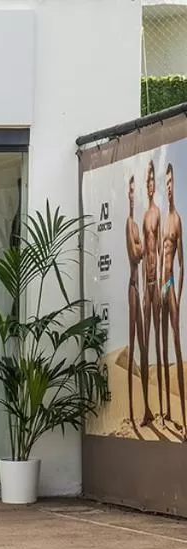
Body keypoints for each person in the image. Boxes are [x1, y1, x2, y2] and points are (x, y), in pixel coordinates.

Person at [163, 163, 185, 429]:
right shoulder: (163, 220)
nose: (168, 187)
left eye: (171, 182)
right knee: (164, 348)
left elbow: (181, 263)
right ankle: (167, 410)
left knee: (177, 347)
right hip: (160, 284)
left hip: (170, 282)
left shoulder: (176, 219)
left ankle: (182, 414)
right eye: (165, 182)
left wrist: (178, 293)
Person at [127, 173, 148, 433]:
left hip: (140, 286)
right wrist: (140, 247)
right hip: (132, 288)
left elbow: (141, 251)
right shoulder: (129, 223)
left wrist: (141, 248)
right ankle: (132, 410)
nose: (133, 195)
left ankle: (145, 408)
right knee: (133, 347)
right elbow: (137, 254)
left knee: (142, 348)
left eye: (136, 191)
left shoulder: (137, 227)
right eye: (131, 191)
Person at [143, 159, 163, 428]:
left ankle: (161, 408)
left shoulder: (158, 213)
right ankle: (147, 408)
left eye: (151, 181)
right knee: (146, 345)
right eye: (146, 181)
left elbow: (157, 250)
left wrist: (164, 286)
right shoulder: (143, 216)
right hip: (144, 284)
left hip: (158, 283)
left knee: (159, 343)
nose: (149, 186)